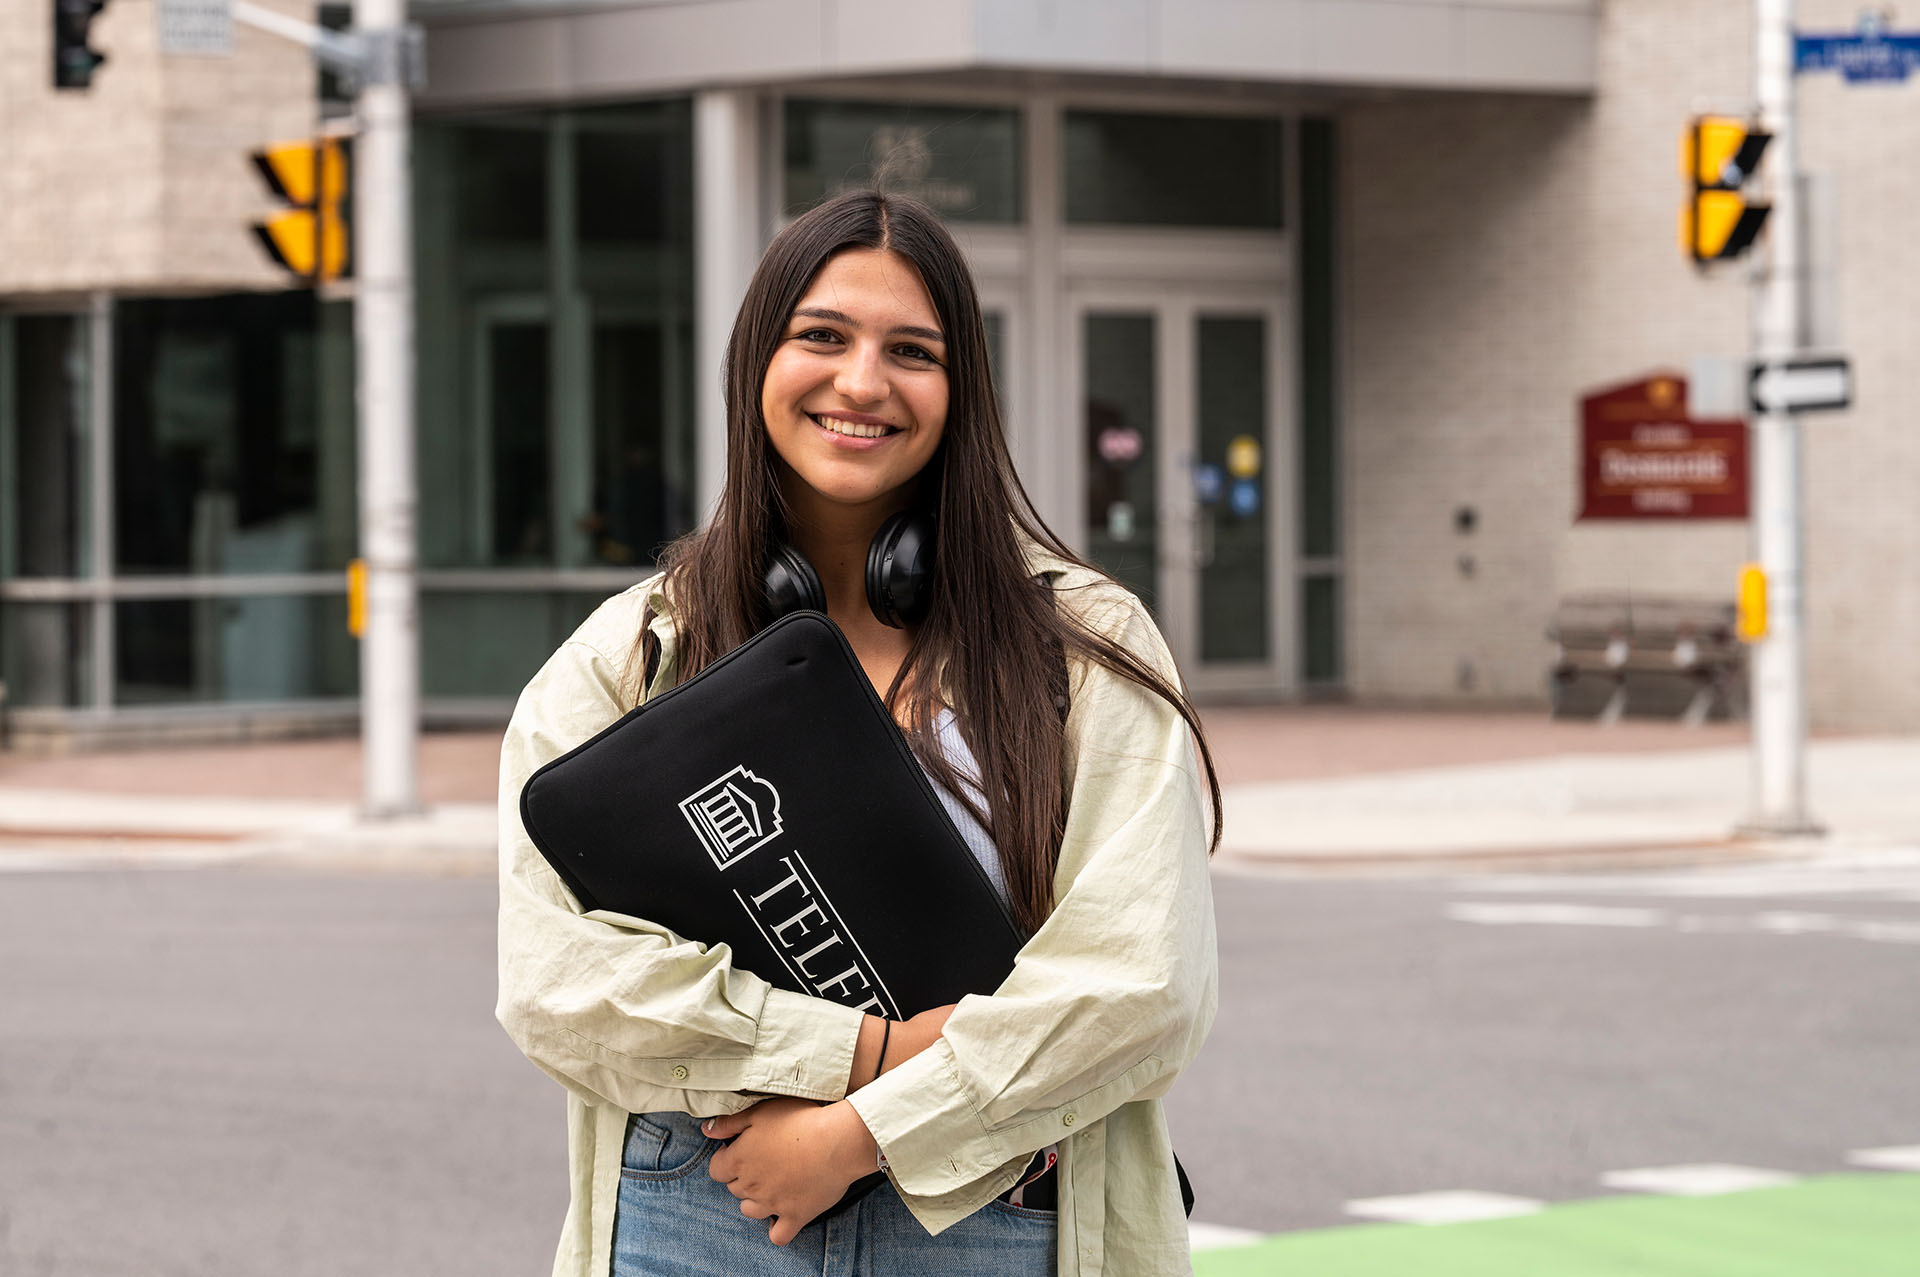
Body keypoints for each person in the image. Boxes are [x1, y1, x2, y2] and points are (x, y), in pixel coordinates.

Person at [497, 190, 1221, 1277]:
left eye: (912, 350)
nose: (863, 380)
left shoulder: (1082, 643)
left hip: (999, 1204)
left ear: (960, 390)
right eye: (822, 336)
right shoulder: (631, 653)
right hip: (702, 1203)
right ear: (757, 365)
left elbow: (1141, 984)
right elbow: (557, 986)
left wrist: (861, 1129)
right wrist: (872, 1049)